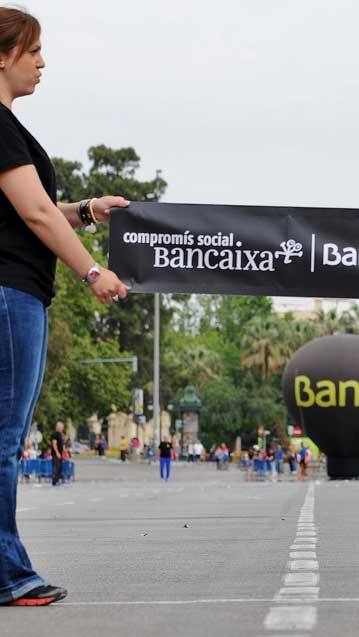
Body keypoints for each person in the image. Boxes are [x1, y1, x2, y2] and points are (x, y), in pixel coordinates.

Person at [0, 6, 130, 607]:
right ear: (3, 55)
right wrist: (93, 271)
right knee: (3, 439)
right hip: (8, 295)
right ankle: (7, 575)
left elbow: (37, 211)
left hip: (15, 289)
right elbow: (33, 214)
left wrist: (86, 210)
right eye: (34, 51)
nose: (43, 62)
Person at [49, 422, 64, 487]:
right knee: (56, 467)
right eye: (61, 428)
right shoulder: (55, 434)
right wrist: (57, 453)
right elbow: (54, 444)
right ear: (58, 427)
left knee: (59, 467)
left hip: (60, 454)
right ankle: (54, 481)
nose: (62, 429)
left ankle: (57, 480)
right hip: (56, 454)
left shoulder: (60, 435)